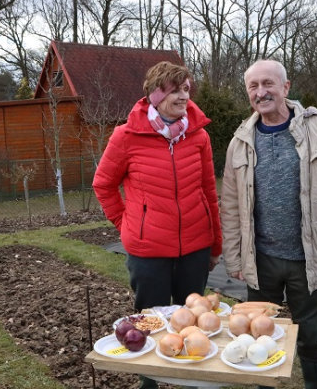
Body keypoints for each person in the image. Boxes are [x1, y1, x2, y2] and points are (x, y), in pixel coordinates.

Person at [220, 59, 317, 389]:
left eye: (268, 84)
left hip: (305, 260)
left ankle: (314, 385)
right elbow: (231, 206)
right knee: (258, 334)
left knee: (310, 336)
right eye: (253, 86)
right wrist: (235, 259)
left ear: (286, 87)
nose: (261, 92)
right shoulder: (241, 140)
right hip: (261, 259)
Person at [92, 61, 222, 389]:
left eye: (186, 89)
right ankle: (149, 383)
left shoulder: (199, 136)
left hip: (195, 245)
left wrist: (215, 243)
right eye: (175, 90)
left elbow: (209, 190)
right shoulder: (126, 136)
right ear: (156, 94)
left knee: (192, 320)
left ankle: (190, 380)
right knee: (149, 322)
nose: (184, 97)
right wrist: (127, 224)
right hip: (147, 251)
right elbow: (103, 184)